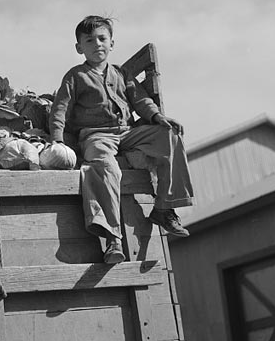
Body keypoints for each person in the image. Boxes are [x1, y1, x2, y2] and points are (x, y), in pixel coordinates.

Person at [48, 15, 194, 264]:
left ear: (112, 43)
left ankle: (164, 208)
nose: (97, 44)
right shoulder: (76, 76)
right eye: (89, 40)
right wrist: (58, 141)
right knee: (105, 166)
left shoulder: (121, 73)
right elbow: (60, 108)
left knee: (170, 136)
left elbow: (140, 100)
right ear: (79, 48)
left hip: (127, 132)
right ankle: (112, 238)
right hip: (96, 136)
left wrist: (157, 116)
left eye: (102, 39)